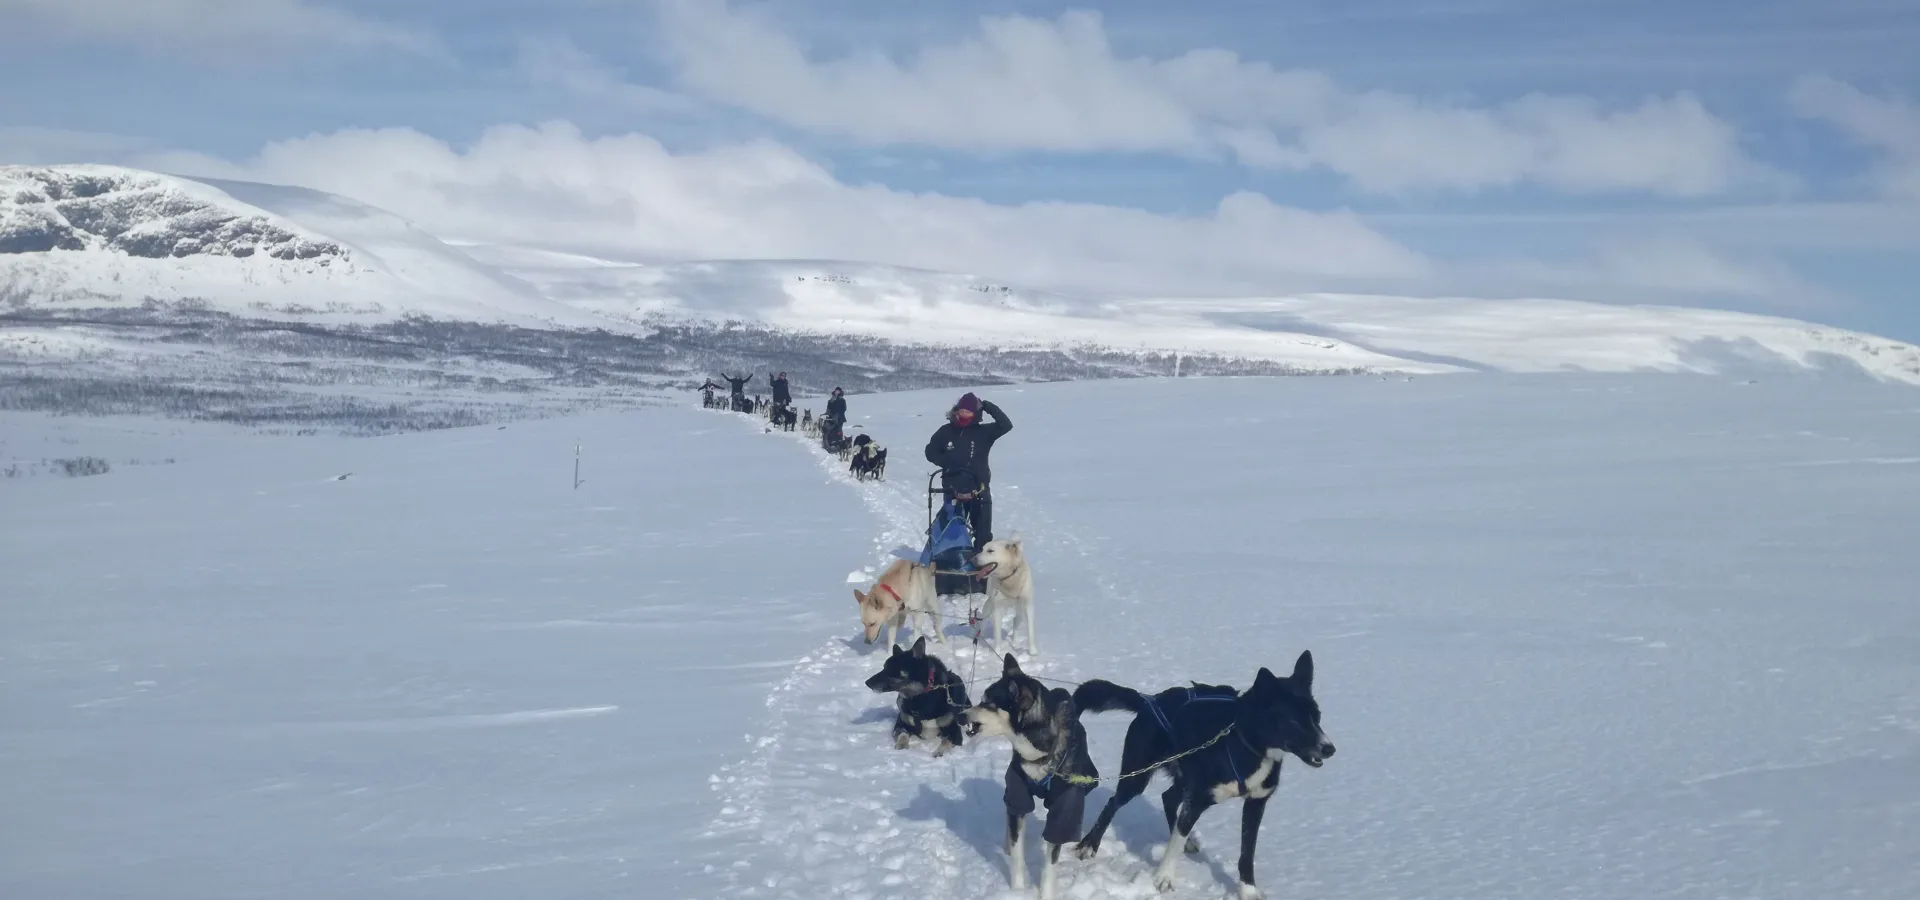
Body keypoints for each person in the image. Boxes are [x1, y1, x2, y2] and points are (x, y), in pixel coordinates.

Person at [924, 392, 1012, 550]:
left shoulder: (984, 432)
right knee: (953, 526)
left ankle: (980, 568)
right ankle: (951, 558)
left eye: (968, 411)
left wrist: (987, 405)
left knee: (983, 533)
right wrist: (946, 462)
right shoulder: (946, 431)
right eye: (961, 410)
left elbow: (1006, 425)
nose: (964, 414)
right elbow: (930, 451)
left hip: (979, 488)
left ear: (976, 412)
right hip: (952, 486)